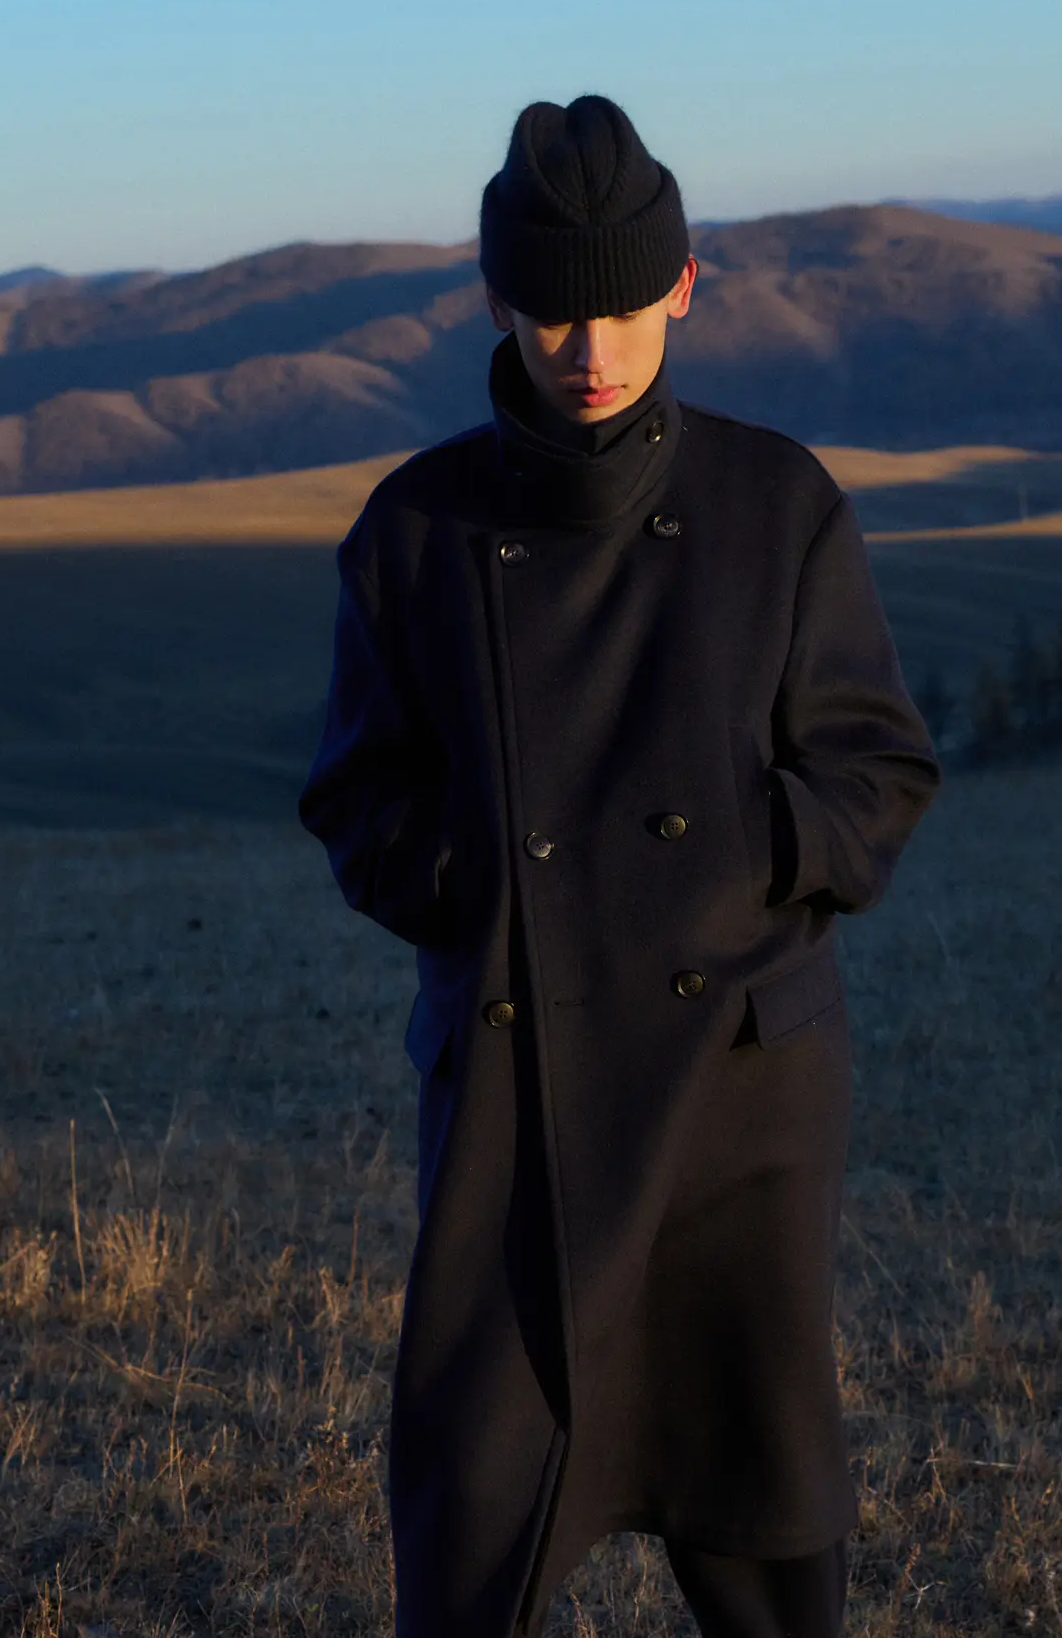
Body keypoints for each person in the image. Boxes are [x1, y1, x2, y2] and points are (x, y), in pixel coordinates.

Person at [299, 94, 942, 1638]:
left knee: (762, 1497)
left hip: (739, 1085)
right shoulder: (414, 531)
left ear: (685, 288)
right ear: (500, 303)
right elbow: (358, 801)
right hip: (521, 1087)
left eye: (621, 305)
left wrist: (746, 852)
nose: (591, 346)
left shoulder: (774, 506)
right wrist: (485, 885)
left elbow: (878, 772)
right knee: (476, 1502)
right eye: (553, 309)